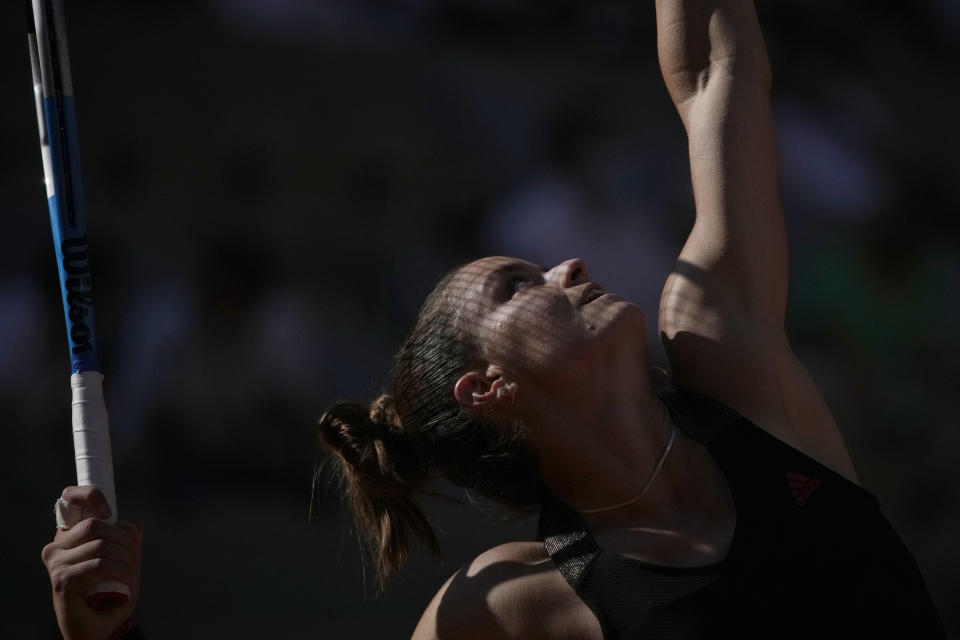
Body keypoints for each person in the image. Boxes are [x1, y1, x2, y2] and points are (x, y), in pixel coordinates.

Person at [43, 0, 946, 638]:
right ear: (489, 388)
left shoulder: (732, 366)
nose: (571, 267)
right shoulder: (510, 610)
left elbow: (715, 68)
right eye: (521, 285)